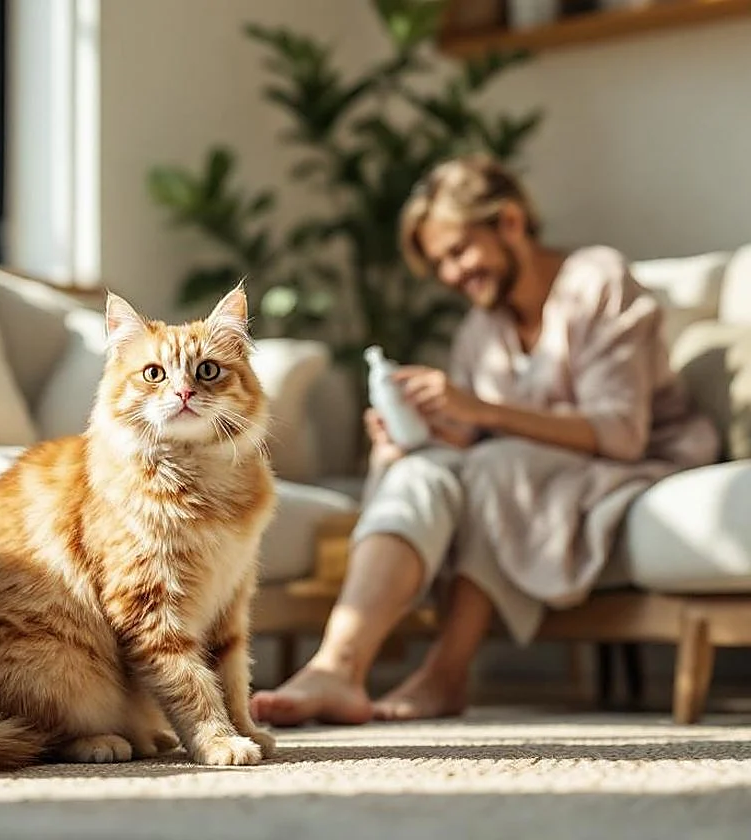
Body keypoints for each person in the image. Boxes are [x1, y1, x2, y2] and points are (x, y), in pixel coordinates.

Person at [249, 153, 720, 726]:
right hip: (529, 469)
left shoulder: (597, 280)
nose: (451, 275)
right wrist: (423, 434)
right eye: (440, 263)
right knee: (421, 471)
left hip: (640, 461)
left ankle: (447, 672)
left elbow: (619, 433)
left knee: (497, 469)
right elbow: (478, 437)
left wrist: (477, 411)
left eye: (458, 251)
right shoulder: (482, 326)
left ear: (511, 224)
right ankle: (337, 666)